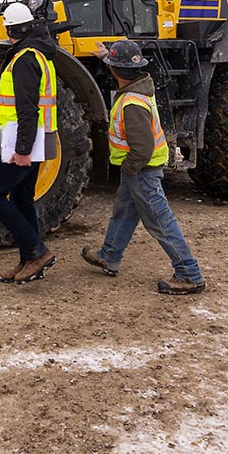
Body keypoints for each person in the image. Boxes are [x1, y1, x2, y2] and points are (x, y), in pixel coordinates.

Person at [81, 40, 206, 295]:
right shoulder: (137, 87)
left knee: (160, 221)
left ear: (116, 72)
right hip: (139, 169)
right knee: (124, 212)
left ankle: (189, 273)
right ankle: (109, 255)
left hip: (141, 169)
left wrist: (129, 167)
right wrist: (108, 56)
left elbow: (142, 148)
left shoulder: (132, 104)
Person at [0, 2, 61, 285]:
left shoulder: (25, 59)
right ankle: (29, 258)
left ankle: (37, 252)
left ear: (9, 29)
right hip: (32, 137)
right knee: (21, 198)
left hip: (23, 139)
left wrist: (23, 150)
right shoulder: (37, 54)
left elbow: (27, 109)